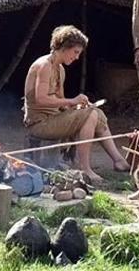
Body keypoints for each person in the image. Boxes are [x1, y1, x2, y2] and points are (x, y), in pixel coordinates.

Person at [23, 25, 131, 185]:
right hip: (39, 123)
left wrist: (74, 108)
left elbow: (59, 103)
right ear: (64, 47)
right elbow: (40, 99)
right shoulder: (44, 65)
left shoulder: (59, 69)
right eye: (75, 52)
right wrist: (72, 101)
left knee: (95, 112)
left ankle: (118, 160)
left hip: (54, 118)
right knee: (90, 115)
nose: (77, 57)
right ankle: (85, 168)